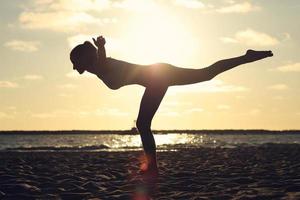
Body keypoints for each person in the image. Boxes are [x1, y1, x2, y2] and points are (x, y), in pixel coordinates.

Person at [70, 35, 273, 176]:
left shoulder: (99, 64)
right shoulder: (96, 68)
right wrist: (99, 50)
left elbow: (103, 61)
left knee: (205, 74)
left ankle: (153, 168)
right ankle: (247, 57)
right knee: (206, 75)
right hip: (156, 78)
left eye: (74, 61)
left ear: (84, 58)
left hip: (158, 76)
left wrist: (101, 47)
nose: (73, 66)